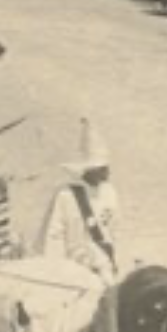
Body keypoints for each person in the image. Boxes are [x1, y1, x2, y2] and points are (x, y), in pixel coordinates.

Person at [35, 119, 122, 283]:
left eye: (106, 167)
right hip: (73, 268)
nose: (107, 173)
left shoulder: (110, 193)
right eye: (102, 169)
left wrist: (113, 261)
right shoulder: (66, 195)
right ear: (88, 170)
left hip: (104, 267)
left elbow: (114, 231)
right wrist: (55, 271)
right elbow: (55, 236)